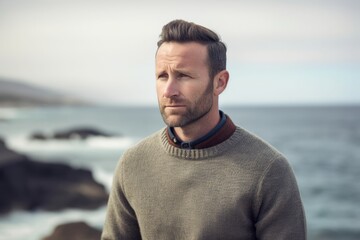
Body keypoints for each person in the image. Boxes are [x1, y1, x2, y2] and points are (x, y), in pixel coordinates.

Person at [101, 19, 306, 240]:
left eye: (183, 76)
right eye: (162, 76)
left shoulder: (268, 170)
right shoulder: (132, 164)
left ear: (220, 82)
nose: (169, 90)